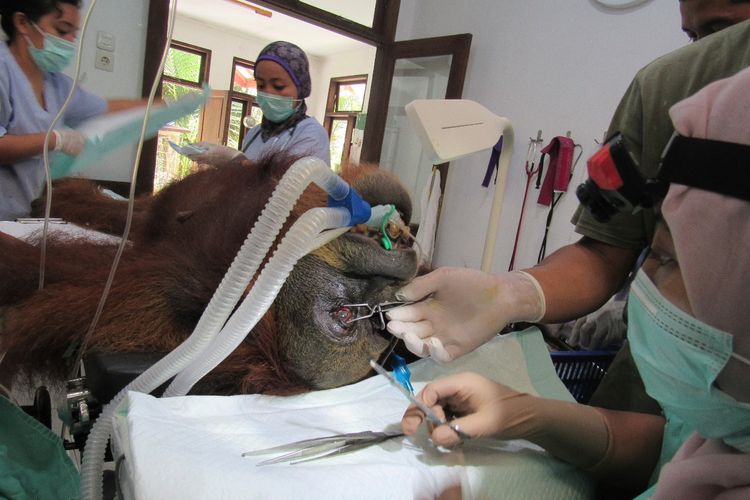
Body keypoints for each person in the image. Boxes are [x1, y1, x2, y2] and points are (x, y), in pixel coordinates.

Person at [400, 65, 750, 498]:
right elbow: (669, 451)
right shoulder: (729, 424)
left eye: (666, 259)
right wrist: (529, 415)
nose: (642, 281)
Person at [386, 1, 750, 412]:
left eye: (723, 30)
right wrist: (508, 294)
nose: (706, 55)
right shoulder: (664, 86)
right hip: (649, 400)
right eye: (693, 37)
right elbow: (602, 254)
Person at [0, 0, 149, 221]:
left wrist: (162, 105)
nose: (70, 41)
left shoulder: (56, 85)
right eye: (62, 30)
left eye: (74, 33)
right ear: (22, 22)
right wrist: (55, 140)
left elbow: (103, 108)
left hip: (19, 216)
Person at [188, 40, 330, 165]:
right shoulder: (255, 133)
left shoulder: (311, 134)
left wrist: (236, 161)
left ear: (301, 89)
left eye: (278, 86)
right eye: (261, 85)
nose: (268, 92)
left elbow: (290, 187)